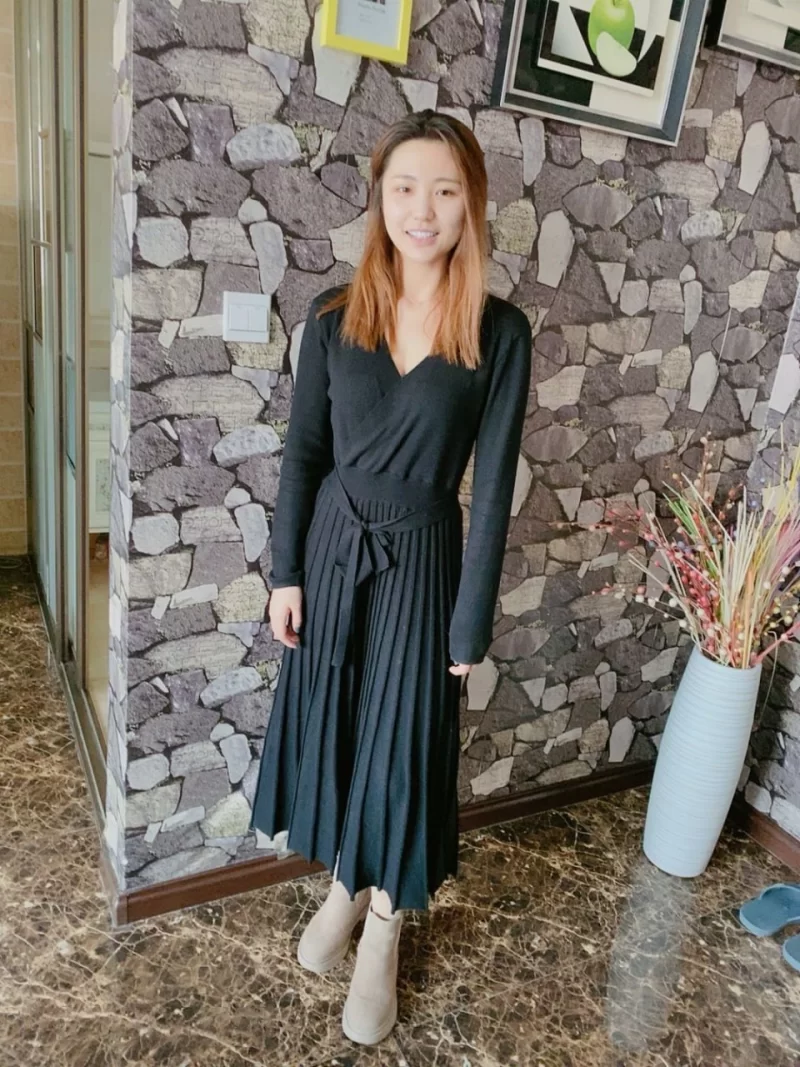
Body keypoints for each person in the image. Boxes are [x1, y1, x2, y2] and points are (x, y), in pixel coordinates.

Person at [248, 110, 532, 1046]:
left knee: (401, 748)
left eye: (446, 190)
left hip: (423, 560)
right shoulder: (334, 316)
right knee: (338, 734)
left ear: (470, 204)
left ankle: (382, 927)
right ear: (380, 197)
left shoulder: (500, 331)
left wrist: (469, 624)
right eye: (406, 187)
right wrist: (286, 571)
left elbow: (495, 488)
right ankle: (342, 882)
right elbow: (303, 454)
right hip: (333, 552)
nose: (423, 208)